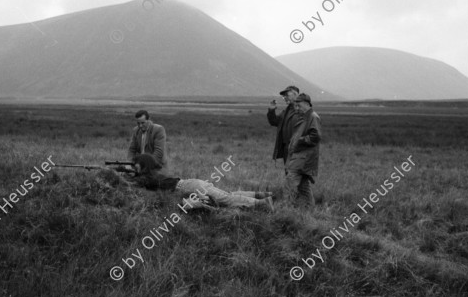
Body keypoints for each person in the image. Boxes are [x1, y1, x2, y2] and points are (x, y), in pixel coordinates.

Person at [127, 154, 276, 211]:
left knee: (226, 200)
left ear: (143, 164)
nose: (134, 167)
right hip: (190, 184)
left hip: (188, 187)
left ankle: (262, 204)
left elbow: (132, 182)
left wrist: (122, 171)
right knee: (226, 195)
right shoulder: (154, 175)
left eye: (136, 164)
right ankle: (260, 195)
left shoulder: (149, 178)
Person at [285, 93, 322, 207]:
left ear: (306, 104)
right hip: (301, 158)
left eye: (299, 106)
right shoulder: (305, 117)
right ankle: (310, 211)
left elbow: (316, 137)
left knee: (290, 182)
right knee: (304, 187)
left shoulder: (313, 117)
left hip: (303, 159)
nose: (297, 109)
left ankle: (286, 209)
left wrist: (299, 141)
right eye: (295, 106)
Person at [267, 85, 303, 166]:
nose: (285, 98)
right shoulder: (286, 111)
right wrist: (271, 111)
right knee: (289, 174)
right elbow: (274, 122)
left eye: (287, 95)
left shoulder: (303, 110)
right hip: (287, 149)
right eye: (284, 96)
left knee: (297, 175)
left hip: (299, 149)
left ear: (295, 95)